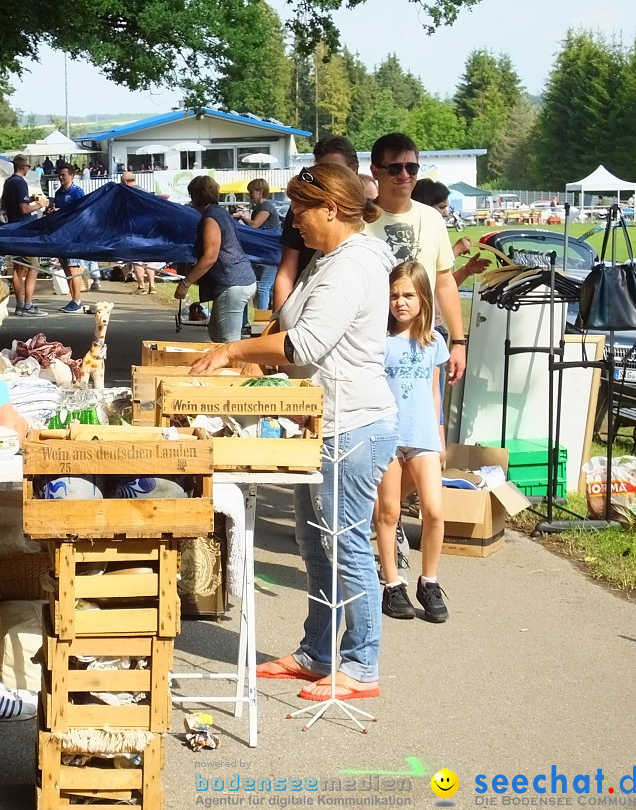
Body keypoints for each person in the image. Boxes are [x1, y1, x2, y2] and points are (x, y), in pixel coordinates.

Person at [192, 162, 398, 700]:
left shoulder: (351, 265)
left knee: (346, 545)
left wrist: (233, 349)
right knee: (315, 542)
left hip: (353, 425)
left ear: (331, 208)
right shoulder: (327, 259)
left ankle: (361, 665)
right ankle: (319, 651)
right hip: (323, 424)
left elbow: (305, 344)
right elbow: (288, 326)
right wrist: (255, 354)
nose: (294, 221)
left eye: (301, 209)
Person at [375, 260, 450, 623]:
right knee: (388, 511)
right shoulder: (379, 341)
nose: (400, 302)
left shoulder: (434, 342)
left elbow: (435, 392)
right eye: (394, 295)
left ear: (423, 298)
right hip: (389, 434)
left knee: (434, 511)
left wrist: (440, 433)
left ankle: (429, 580)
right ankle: (392, 583)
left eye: (408, 295)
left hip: (422, 435)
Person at [365, 132, 467, 384]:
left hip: (422, 346)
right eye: (395, 168)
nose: (404, 175)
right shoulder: (358, 221)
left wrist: (458, 341)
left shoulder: (432, 219)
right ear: (375, 171)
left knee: (428, 419)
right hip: (369, 349)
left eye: (411, 167)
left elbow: (444, 282)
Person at [271, 135, 359, 311]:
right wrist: (277, 319)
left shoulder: (357, 256)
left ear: (354, 171)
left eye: (334, 172)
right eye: (320, 173)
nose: (297, 222)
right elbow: (287, 271)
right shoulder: (300, 212)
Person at [174, 175, 256, 343]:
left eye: (191, 195)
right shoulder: (219, 213)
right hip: (238, 280)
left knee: (229, 343)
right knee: (216, 334)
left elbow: (210, 257)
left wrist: (185, 283)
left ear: (197, 196)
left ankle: (241, 369)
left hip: (232, 282)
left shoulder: (211, 218)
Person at [411, 179, 488, 287]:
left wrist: (466, 270)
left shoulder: (433, 236)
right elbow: (423, 284)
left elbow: (442, 288)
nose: (446, 214)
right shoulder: (412, 239)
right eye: (442, 207)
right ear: (425, 205)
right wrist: (456, 250)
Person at [0, 154, 48, 317]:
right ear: (23, 167)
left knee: (18, 268)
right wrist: (39, 204)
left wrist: (30, 200)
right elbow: (24, 209)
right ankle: (28, 304)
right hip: (23, 229)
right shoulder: (20, 183)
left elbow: (9, 204)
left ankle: (20, 304)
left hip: (13, 228)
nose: (29, 169)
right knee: (34, 266)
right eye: (28, 167)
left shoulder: (8, 182)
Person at [233, 178, 282, 312]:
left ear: (260, 192)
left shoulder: (266, 207)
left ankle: (262, 319)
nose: (249, 195)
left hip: (270, 253)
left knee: (263, 287)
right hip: (264, 253)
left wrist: (242, 217)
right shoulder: (259, 208)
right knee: (258, 287)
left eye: (251, 192)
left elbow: (255, 225)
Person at [52, 163, 88, 313]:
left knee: (74, 268)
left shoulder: (77, 192)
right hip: (62, 234)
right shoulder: (58, 193)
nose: (61, 178)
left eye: (64, 175)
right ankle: (73, 300)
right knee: (66, 268)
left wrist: (60, 211)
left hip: (74, 234)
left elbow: (81, 212)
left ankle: (77, 300)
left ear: (72, 176)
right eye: (59, 175)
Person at [121, 172, 161, 293]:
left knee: (137, 259)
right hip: (148, 229)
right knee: (148, 258)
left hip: (134, 230)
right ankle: (152, 285)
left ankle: (141, 286)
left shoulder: (127, 194)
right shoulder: (145, 192)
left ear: (124, 182)